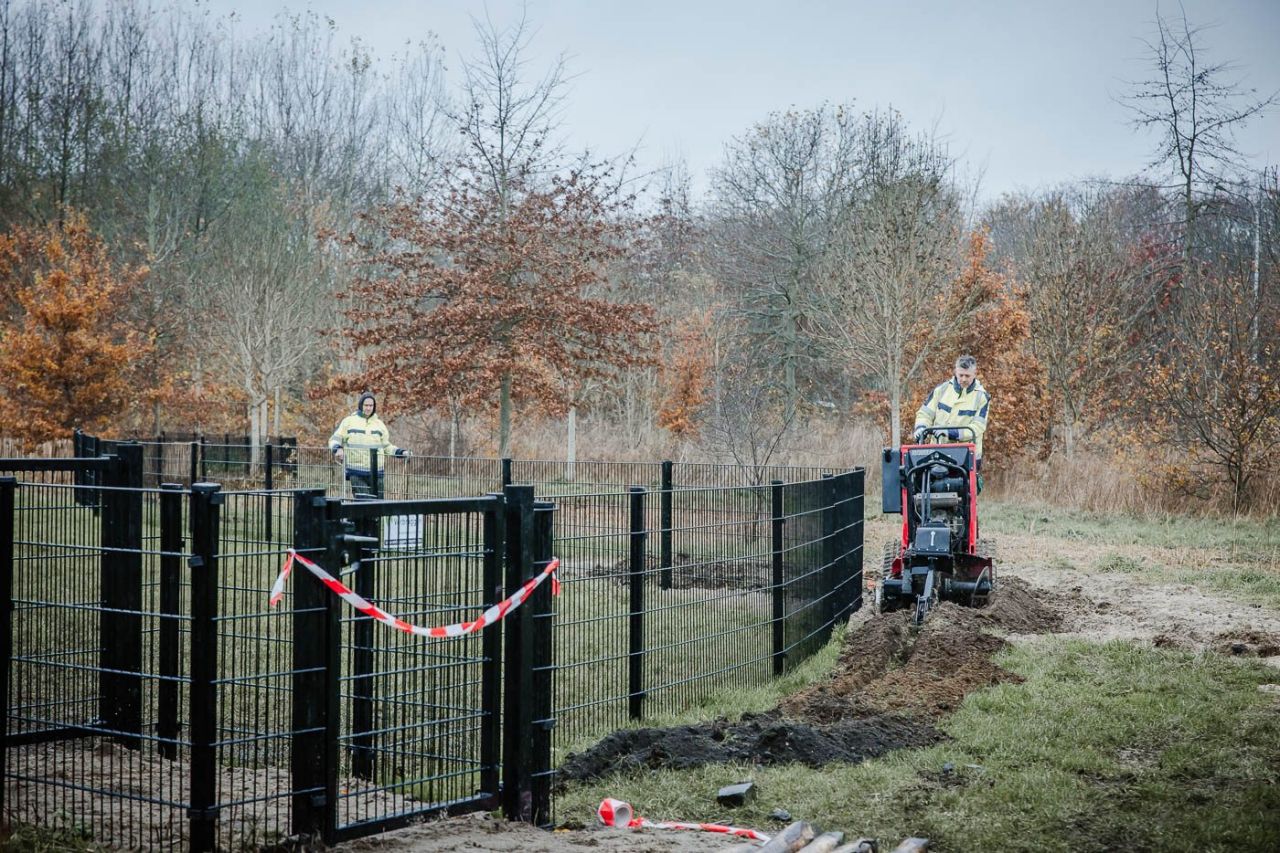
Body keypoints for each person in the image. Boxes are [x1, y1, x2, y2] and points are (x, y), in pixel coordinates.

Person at [913, 355, 991, 469]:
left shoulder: (981, 397)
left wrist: (951, 433)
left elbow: (978, 427)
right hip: (937, 451)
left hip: (966, 455)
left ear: (975, 374)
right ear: (955, 372)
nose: (964, 379)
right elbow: (925, 413)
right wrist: (921, 428)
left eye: (967, 376)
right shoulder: (942, 390)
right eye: (961, 375)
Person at [329, 392, 409, 498]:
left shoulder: (379, 425)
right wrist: (337, 449)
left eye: (371, 406)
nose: (368, 408)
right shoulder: (349, 422)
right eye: (366, 405)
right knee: (364, 505)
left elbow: (386, 446)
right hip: (356, 472)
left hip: (377, 473)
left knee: (378, 506)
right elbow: (334, 439)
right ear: (361, 405)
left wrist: (401, 452)